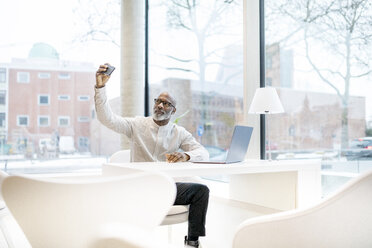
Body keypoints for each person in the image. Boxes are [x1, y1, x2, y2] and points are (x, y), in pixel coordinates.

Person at [95, 63, 210, 248]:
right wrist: (100, 87)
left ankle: (192, 242)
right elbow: (107, 119)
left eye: (166, 104)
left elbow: (203, 153)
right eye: (158, 101)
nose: (160, 105)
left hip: (166, 187)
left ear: (173, 111)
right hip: (140, 188)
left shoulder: (179, 133)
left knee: (201, 191)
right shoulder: (137, 125)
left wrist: (185, 156)